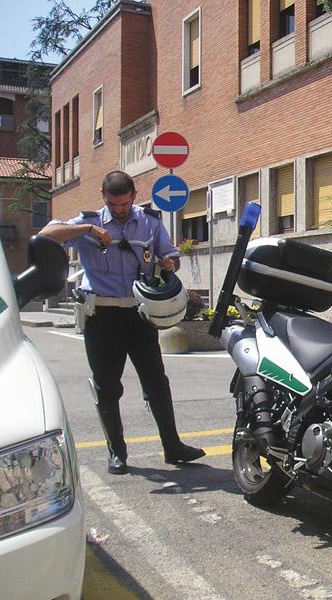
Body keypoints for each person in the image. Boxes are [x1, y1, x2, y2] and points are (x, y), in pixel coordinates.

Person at [40, 171, 205, 474]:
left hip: (139, 315)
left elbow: (171, 255)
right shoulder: (87, 221)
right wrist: (88, 228)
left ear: (133, 195)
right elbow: (45, 236)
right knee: (106, 386)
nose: (119, 210)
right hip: (101, 316)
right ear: (103, 195)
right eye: (113, 204)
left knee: (156, 381)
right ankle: (117, 452)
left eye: (125, 204)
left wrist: (169, 262)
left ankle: (173, 446)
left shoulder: (149, 222)